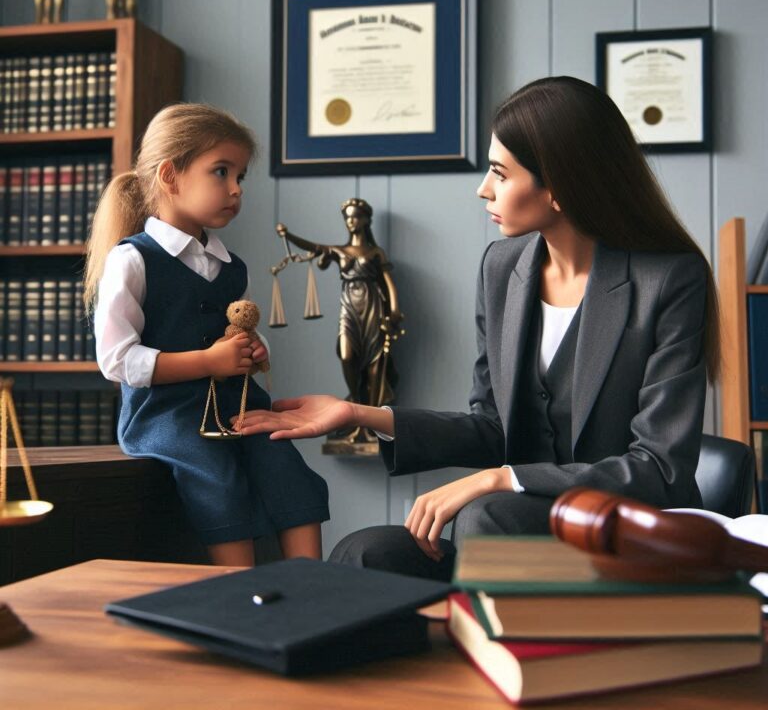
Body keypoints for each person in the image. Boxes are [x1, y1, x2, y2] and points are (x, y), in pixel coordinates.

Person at [232, 76, 720, 580]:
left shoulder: (668, 279)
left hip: (629, 532)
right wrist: (358, 412)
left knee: (485, 517)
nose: (482, 188)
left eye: (500, 174)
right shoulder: (502, 268)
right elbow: (491, 425)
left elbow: (659, 469)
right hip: (517, 535)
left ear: (557, 186)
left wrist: (503, 479)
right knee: (365, 552)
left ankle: (491, 646)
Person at [84, 102, 329, 566]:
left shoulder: (230, 266)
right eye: (222, 172)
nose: (236, 189)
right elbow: (117, 361)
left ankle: (311, 589)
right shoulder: (133, 260)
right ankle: (234, 593)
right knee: (215, 478)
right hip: (167, 417)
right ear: (171, 176)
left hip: (238, 407)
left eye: (241, 177)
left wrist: (254, 352)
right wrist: (208, 363)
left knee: (285, 466)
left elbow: (241, 336)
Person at [275, 199, 403, 443]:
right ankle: (356, 406)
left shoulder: (375, 253)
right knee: (347, 355)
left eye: (355, 216)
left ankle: (368, 424)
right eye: (347, 217)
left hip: (372, 307)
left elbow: (388, 283)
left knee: (376, 363)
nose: (351, 221)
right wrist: (288, 235)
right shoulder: (339, 251)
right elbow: (312, 246)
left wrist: (394, 312)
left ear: (366, 220)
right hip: (349, 309)